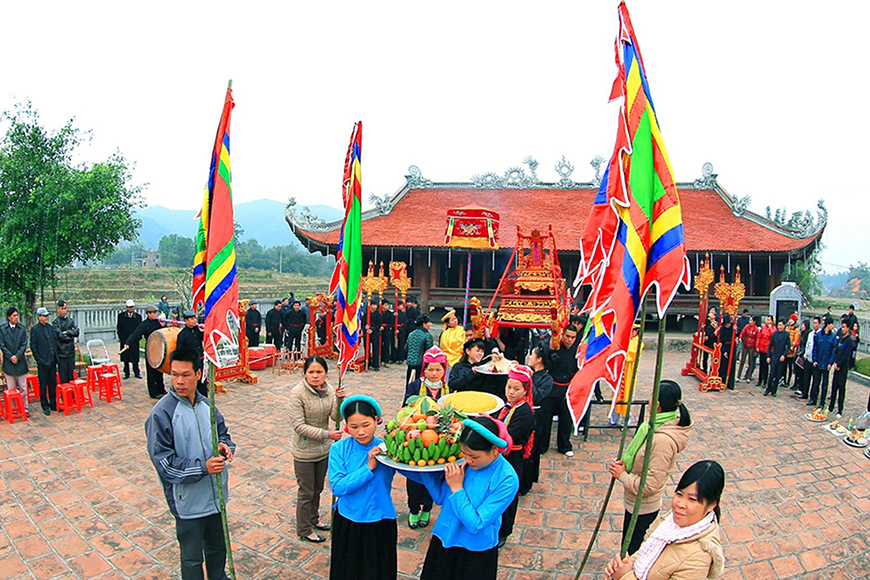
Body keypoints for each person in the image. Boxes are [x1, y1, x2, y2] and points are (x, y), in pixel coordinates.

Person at [145, 348, 235, 580]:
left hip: (216, 498)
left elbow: (223, 434)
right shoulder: (162, 413)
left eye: (185, 375)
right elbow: (165, 464)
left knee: (218, 550)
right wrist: (203, 468)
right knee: (192, 559)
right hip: (188, 504)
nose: (179, 381)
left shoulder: (208, 405)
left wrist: (225, 447)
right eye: (174, 375)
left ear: (198, 374)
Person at [406, 416, 519, 579]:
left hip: (475, 551)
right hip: (445, 538)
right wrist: (423, 468)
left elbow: (476, 524)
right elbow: (440, 498)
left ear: (494, 450)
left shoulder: (506, 479)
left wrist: (457, 487)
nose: (467, 460)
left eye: (474, 456)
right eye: (464, 453)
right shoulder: (463, 462)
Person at [608, 380, 692, 555]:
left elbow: (650, 485)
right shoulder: (652, 426)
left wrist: (623, 475)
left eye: (651, 398)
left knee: (631, 550)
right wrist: (627, 463)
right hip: (634, 501)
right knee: (629, 544)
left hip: (643, 506)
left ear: (658, 405)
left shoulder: (662, 441)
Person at [604, 460, 725, 580]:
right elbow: (644, 551)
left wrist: (625, 576)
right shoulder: (669, 521)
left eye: (692, 499)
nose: (680, 504)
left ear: (711, 505)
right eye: (679, 494)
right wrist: (624, 565)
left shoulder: (699, 557)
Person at [328, 395, 397, 580]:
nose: (360, 432)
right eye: (354, 427)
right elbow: (338, 487)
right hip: (349, 520)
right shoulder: (339, 449)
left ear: (376, 421)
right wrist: (368, 468)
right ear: (347, 427)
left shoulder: (387, 449)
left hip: (381, 520)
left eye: (366, 425)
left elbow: (414, 471)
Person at [288, 356, 344, 543]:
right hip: (304, 450)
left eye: (319, 372)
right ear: (305, 373)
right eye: (311, 372)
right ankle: (304, 529)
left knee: (318, 489)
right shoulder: (297, 393)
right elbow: (299, 425)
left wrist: (340, 400)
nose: (315, 375)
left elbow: (336, 417)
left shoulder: (328, 391)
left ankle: (314, 519)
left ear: (325, 373)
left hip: (323, 450)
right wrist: (327, 434)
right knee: (306, 491)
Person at [402, 347, 450, 529]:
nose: (434, 373)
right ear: (424, 369)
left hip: (439, 442)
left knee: (434, 477)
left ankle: (427, 509)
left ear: (444, 370)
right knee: (415, 479)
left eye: (438, 369)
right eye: (430, 369)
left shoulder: (447, 389)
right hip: (416, 439)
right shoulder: (415, 386)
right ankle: (414, 509)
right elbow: (406, 409)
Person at [496, 364, 536, 548]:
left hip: (513, 459)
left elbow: (507, 437)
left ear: (526, 390)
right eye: (509, 387)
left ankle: (504, 530)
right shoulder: (508, 406)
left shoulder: (525, 413)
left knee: (509, 495)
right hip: (502, 457)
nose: (511, 392)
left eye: (516, 389)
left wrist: (489, 424)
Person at [542, 324, 579, 457]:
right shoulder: (554, 348)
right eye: (567, 336)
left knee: (566, 420)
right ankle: (542, 445)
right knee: (545, 420)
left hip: (567, 389)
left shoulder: (577, 352)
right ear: (563, 335)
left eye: (573, 337)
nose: (569, 340)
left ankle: (564, 446)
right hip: (552, 388)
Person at [522, 345, 553, 495]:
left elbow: (537, 396)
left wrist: (528, 379)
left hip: (537, 415)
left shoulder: (547, 379)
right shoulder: (531, 373)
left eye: (532, 355)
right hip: (524, 413)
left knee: (531, 450)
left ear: (539, 359)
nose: (529, 357)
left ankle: (526, 484)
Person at [125, 305, 167, 399]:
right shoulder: (144, 324)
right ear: (148, 314)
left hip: (159, 349)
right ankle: (154, 392)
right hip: (151, 350)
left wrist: (163, 325)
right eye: (154, 313)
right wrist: (128, 343)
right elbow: (136, 334)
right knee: (151, 371)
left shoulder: (158, 322)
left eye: (156, 313)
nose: (156, 315)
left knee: (159, 370)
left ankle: (161, 389)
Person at [30, 307, 58, 415]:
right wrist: (39, 360)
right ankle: (44, 405)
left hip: (52, 360)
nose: (46, 318)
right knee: (43, 384)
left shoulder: (50, 328)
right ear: (39, 317)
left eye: (47, 316)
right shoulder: (35, 329)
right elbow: (33, 346)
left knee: (52, 383)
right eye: (44, 316)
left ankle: (53, 403)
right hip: (43, 362)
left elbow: (53, 343)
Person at [829, 320, 857, 418]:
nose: (843, 329)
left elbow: (847, 355)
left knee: (841, 388)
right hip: (837, 366)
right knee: (834, 387)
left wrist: (839, 364)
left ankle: (840, 410)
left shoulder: (849, 341)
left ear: (848, 329)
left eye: (844, 327)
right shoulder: (840, 339)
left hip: (843, 367)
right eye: (842, 327)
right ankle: (831, 406)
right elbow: (837, 351)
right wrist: (835, 362)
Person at [0, 307, 29, 399]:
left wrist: (17, 356)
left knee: (23, 388)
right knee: (11, 388)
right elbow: (2, 345)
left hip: (20, 361)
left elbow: (24, 344)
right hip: (9, 362)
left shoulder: (21, 329)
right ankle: (13, 408)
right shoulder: (2, 329)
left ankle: (25, 408)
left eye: (17, 315)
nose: (16, 317)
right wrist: (11, 356)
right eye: (14, 316)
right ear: (9, 317)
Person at [808, 317, 836, 408]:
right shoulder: (819, 335)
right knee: (816, 382)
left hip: (826, 364)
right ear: (828, 325)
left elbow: (833, 351)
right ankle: (813, 399)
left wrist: (830, 363)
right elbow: (815, 348)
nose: (832, 326)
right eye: (831, 324)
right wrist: (814, 359)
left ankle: (822, 402)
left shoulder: (833, 337)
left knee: (824, 384)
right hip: (818, 362)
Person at [176, 311, 205, 395]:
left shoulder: (197, 330)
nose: (194, 320)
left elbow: (204, 339)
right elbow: (180, 350)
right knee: (192, 380)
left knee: (201, 380)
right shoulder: (182, 334)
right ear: (186, 321)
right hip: (190, 361)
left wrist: (203, 332)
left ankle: (203, 396)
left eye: (195, 318)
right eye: (192, 319)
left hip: (200, 358)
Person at [52, 300, 80, 383]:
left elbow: (77, 332)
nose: (64, 311)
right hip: (61, 353)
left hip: (70, 352)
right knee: (63, 376)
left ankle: (72, 394)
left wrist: (67, 332)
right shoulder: (55, 322)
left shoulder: (70, 321)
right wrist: (70, 335)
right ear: (58, 309)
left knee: (71, 375)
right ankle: (65, 395)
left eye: (65, 308)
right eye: (62, 309)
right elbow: (60, 335)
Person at [117, 300, 142, 379]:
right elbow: (119, 328)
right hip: (124, 339)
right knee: (126, 357)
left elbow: (139, 329)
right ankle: (126, 373)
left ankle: (136, 372)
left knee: (135, 357)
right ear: (127, 307)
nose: (131, 309)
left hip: (134, 340)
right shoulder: (121, 316)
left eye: (132, 307)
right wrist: (121, 338)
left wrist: (138, 338)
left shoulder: (138, 317)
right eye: (129, 307)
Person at [764, 319, 790, 397]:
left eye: (781, 325)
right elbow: (770, 346)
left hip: (781, 357)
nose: (779, 327)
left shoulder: (786, 335)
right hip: (774, 356)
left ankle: (774, 390)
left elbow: (788, 347)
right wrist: (768, 356)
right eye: (778, 325)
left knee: (778, 375)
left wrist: (784, 355)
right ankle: (768, 388)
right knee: (771, 374)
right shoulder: (774, 334)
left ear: (784, 326)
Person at [796, 317, 820, 399]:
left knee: (815, 381)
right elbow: (808, 346)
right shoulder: (811, 334)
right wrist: (805, 355)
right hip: (808, 359)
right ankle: (804, 393)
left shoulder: (820, 334)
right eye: (813, 323)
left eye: (816, 323)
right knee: (806, 378)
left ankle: (813, 397)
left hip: (816, 361)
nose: (814, 325)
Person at [439, 309, 466, 383]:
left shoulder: (461, 330)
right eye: (452, 320)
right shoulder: (445, 333)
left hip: (460, 355)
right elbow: (444, 346)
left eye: (455, 318)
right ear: (448, 323)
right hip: (449, 356)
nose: (455, 321)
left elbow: (464, 342)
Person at [406, 315, 433, 384]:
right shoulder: (427, 335)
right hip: (422, 364)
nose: (430, 324)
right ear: (424, 324)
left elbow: (406, 348)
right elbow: (429, 351)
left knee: (410, 382)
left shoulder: (411, 334)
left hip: (410, 363)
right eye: (429, 323)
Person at [716, 315, 736, 390]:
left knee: (732, 365)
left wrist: (736, 330)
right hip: (725, 346)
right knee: (724, 365)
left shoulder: (733, 328)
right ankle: (723, 381)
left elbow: (737, 335)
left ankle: (730, 383)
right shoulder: (722, 329)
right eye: (727, 324)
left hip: (732, 347)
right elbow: (721, 340)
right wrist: (724, 351)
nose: (728, 325)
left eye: (729, 324)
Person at [790, 319, 810, 392]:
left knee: (802, 372)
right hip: (798, 352)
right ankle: (796, 384)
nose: (802, 326)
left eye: (803, 325)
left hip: (803, 354)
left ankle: (801, 387)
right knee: (796, 370)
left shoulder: (808, 334)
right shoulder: (801, 333)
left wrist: (803, 353)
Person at [737, 316, 758, 383]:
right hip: (745, 344)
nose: (750, 322)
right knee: (742, 360)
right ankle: (738, 376)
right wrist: (740, 337)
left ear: (754, 322)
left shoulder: (756, 329)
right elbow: (743, 332)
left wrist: (756, 346)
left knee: (750, 362)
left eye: (751, 320)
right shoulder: (747, 327)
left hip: (752, 346)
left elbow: (757, 338)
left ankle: (748, 376)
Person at [755, 316, 774, 387]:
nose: (767, 321)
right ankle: (760, 380)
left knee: (766, 366)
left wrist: (770, 329)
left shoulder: (773, 329)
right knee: (761, 365)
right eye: (767, 320)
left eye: (769, 320)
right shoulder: (763, 327)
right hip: (762, 348)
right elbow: (759, 337)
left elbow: (773, 337)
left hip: (768, 350)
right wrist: (757, 345)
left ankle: (765, 381)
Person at [783, 314, 800, 387]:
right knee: (784, 367)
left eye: (792, 320)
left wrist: (791, 348)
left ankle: (788, 381)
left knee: (790, 367)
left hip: (791, 352)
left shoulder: (796, 330)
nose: (790, 321)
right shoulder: (787, 328)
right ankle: (784, 380)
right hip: (785, 350)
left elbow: (795, 341)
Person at [366, 300, 382, 371]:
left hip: (375, 333)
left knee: (375, 348)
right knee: (367, 348)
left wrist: (373, 330)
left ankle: (376, 364)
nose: (375, 306)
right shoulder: (367, 314)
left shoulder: (378, 314)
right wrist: (366, 328)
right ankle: (368, 363)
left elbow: (379, 325)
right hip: (367, 333)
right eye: (373, 305)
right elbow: (363, 323)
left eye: (376, 305)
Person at [380, 303, 394, 368]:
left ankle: (386, 361)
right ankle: (379, 360)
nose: (386, 307)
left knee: (386, 346)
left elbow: (391, 324)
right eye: (385, 305)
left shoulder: (390, 314)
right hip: (379, 331)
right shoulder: (379, 313)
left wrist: (385, 327)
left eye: (387, 305)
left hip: (387, 331)